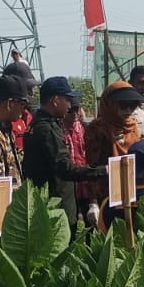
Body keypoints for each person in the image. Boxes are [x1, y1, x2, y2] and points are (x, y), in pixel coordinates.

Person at [24, 76, 95, 226]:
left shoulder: (35, 124)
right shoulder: (48, 129)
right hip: (58, 208)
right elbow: (65, 168)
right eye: (67, 100)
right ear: (55, 100)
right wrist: (101, 171)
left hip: (47, 205)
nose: (70, 106)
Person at [85, 81, 144, 176]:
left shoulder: (133, 125)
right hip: (105, 182)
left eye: (133, 106)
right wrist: (109, 143)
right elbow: (93, 162)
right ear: (109, 104)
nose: (128, 110)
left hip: (131, 179)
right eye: (123, 106)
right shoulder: (97, 128)